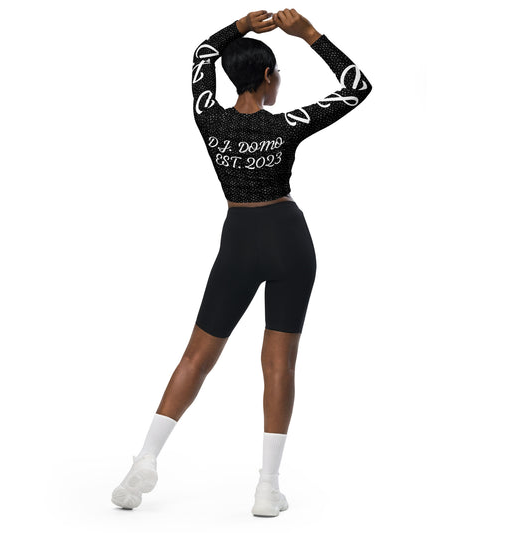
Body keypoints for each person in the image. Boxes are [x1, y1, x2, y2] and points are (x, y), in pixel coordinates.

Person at [111, 8, 372, 517]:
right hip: (289, 240)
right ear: (268, 76)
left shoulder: (209, 118)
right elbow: (357, 86)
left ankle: (145, 459)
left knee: (196, 358)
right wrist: (308, 34)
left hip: (238, 242)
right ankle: (267, 488)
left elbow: (203, 53)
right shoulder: (287, 125)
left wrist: (241, 27)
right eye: (278, 75)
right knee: (279, 364)